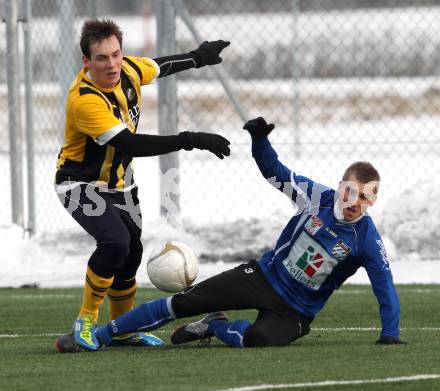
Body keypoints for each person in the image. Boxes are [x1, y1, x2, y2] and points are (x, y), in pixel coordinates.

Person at [84, 116, 405, 351]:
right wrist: (259, 140)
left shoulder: (368, 240)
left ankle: (216, 325)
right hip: (261, 276)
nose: (355, 203)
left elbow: (385, 287)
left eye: (365, 197)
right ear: (340, 187)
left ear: (373, 199)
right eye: (350, 192)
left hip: (296, 311)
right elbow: (275, 172)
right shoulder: (316, 197)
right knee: (180, 304)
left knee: (258, 340)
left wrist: (389, 334)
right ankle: (102, 334)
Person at [54, 19, 231, 353]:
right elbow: (130, 145)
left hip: (121, 185)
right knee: (115, 243)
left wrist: (199, 56)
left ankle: (122, 330)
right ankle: (86, 321)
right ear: (86, 62)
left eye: (116, 54)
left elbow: (159, 67)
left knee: (131, 253)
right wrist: (190, 139)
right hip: (79, 184)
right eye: (102, 58)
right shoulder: (85, 100)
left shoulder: (128, 70)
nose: (111, 64)